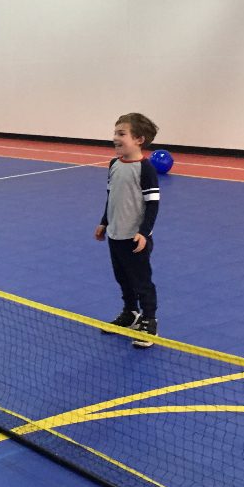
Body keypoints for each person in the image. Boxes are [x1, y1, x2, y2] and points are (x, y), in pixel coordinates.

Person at [94, 113, 160, 348]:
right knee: (122, 278)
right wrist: (104, 222)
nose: (115, 137)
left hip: (135, 239)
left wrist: (144, 232)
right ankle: (130, 313)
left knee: (142, 281)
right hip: (115, 235)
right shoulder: (114, 164)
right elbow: (111, 197)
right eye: (115, 133)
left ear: (139, 139)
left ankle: (149, 321)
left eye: (121, 134)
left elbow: (153, 205)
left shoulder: (145, 169)